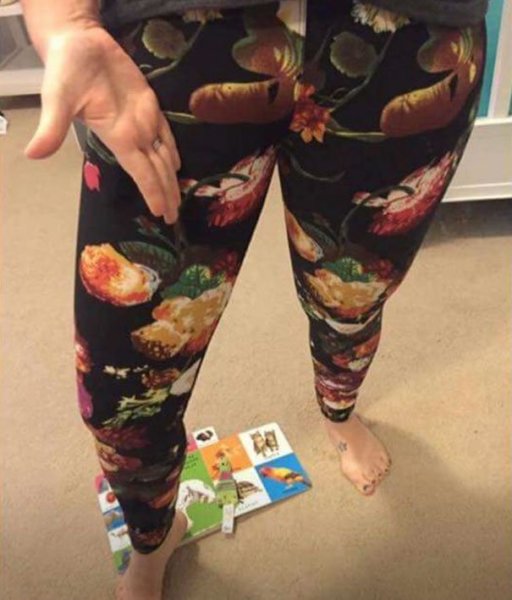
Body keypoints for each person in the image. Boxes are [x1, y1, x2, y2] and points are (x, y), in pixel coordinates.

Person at [20, 0, 489, 598]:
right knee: (121, 387)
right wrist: (64, 23)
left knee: (349, 299)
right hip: (177, 38)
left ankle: (339, 412)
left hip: (413, 39)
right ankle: (152, 534)